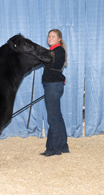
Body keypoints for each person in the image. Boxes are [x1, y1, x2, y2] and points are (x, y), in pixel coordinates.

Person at [40, 29, 69, 157]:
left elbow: (46, 59)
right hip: (53, 85)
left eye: (53, 36)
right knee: (57, 116)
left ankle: (53, 148)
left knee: (53, 117)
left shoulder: (57, 51)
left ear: (59, 39)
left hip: (53, 86)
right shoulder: (54, 51)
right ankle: (63, 146)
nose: (50, 38)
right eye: (49, 36)